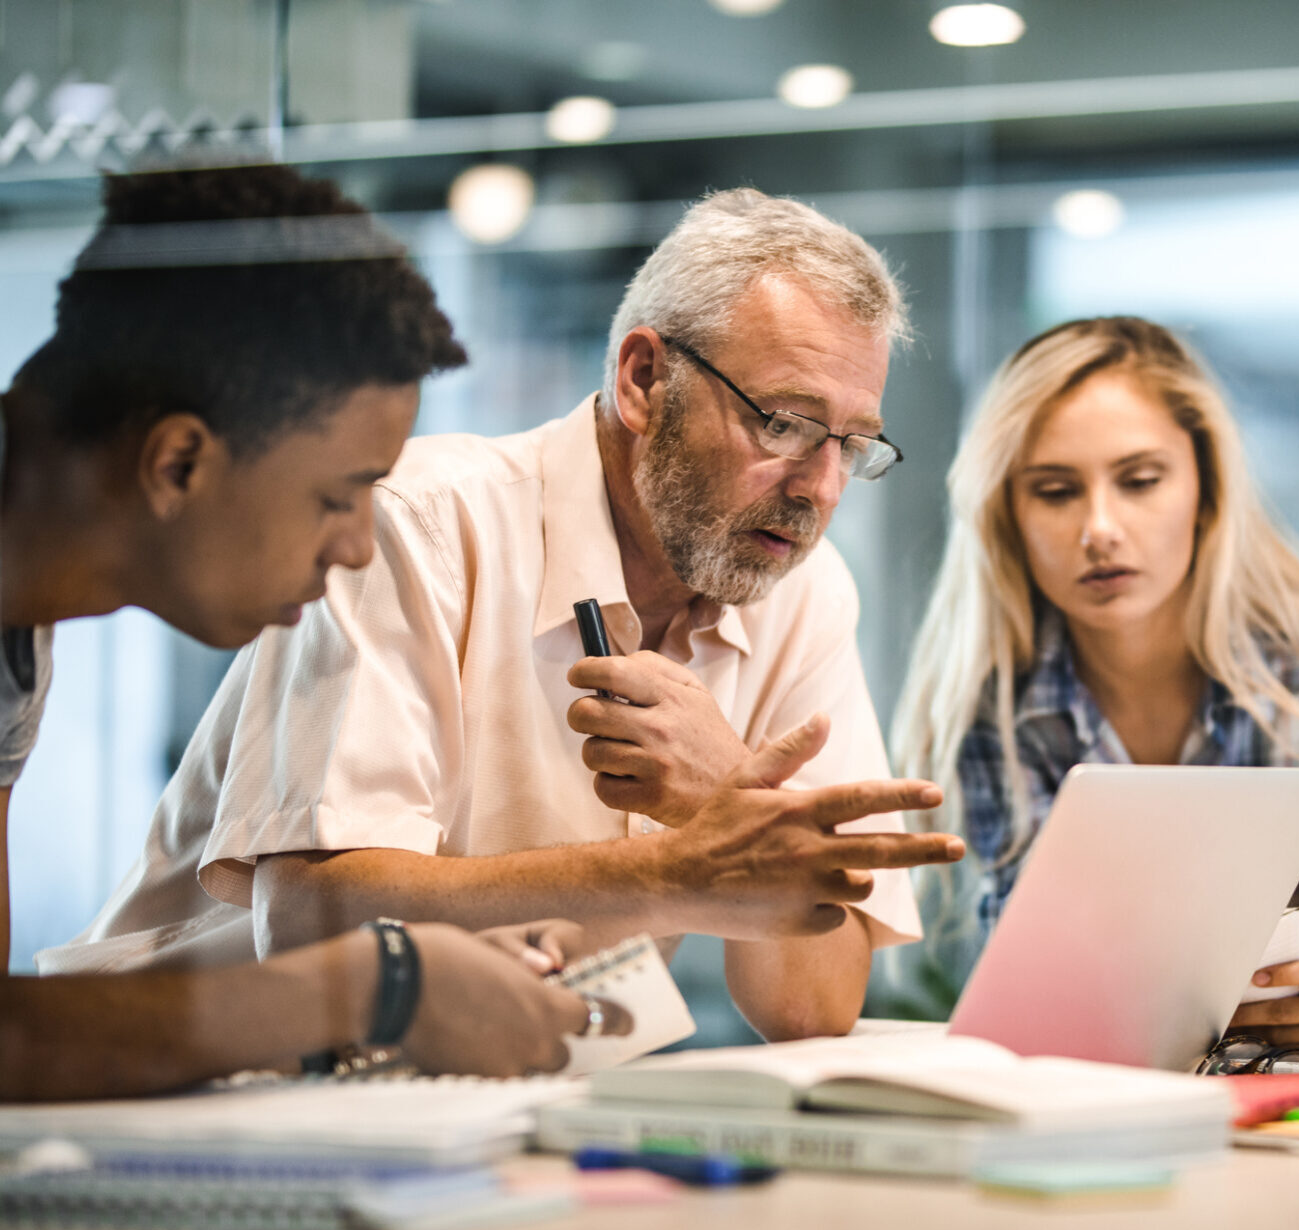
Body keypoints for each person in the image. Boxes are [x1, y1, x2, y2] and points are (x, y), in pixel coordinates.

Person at [46, 188, 964, 1044]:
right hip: (195, 1070)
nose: (821, 487)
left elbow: (809, 1004)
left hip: (514, 1084)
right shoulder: (415, 520)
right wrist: (670, 874)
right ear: (643, 378)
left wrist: (727, 797)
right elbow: (301, 918)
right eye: (785, 423)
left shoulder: (800, 588)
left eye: (852, 444)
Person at [0, 163, 619, 1099]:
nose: (358, 547)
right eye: (337, 497)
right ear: (177, 463)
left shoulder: (22, 626)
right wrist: (368, 987)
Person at [893, 316, 1299, 1059]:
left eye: (1140, 480)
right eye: (1055, 492)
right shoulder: (994, 697)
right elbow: (1035, 992)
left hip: (1290, 1097)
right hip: (1089, 1100)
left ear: (1205, 489)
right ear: (1009, 517)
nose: (1100, 528)